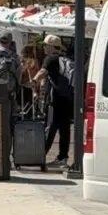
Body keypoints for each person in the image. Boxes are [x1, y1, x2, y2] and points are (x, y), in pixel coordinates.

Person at [33, 34, 73, 168]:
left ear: (51, 46)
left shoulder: (50, 58)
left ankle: (40, 155)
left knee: (50, 128)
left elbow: (42, 72)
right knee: (65, 129)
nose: (44, 47)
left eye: (45, 45)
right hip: (67, 99)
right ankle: (62, 157)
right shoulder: (65, 59)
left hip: (55, 100)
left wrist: (33, 81)